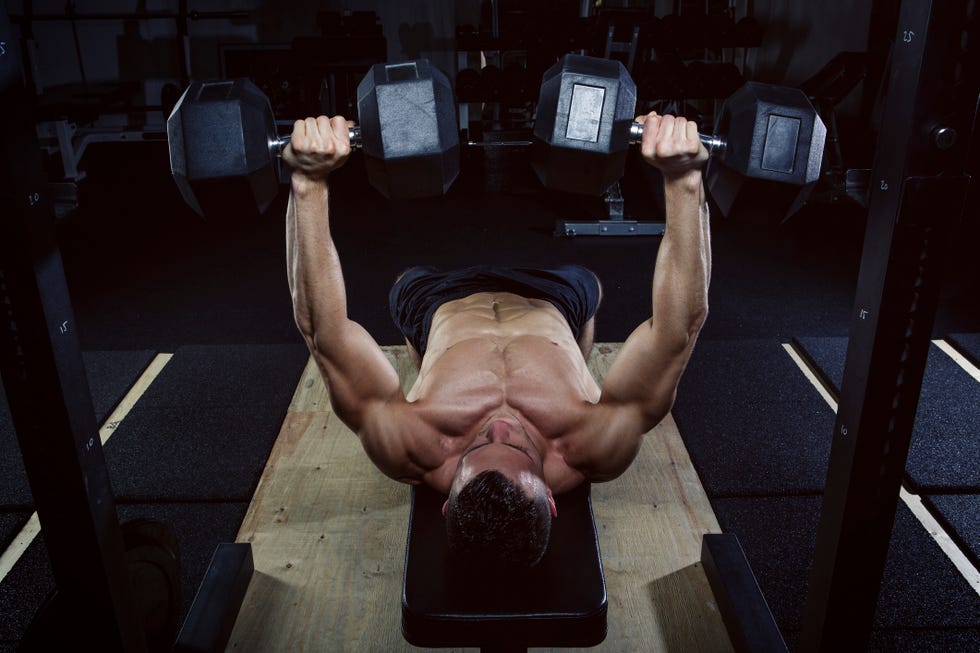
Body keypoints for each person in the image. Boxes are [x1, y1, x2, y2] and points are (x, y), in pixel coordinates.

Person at [283, 112, 710, 569]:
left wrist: (308, 182)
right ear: (549, 498)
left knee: (404, 282)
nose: (502, 425)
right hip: (548, 299)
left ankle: (427, 352)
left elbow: (323, 333)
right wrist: (684, 179)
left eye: (482, 443)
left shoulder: (412, 446)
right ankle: (572, 348)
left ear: (447, 500)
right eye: (518, 447)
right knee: (589, 285)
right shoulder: (594, 445)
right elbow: (677, 332)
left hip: (440, 302)